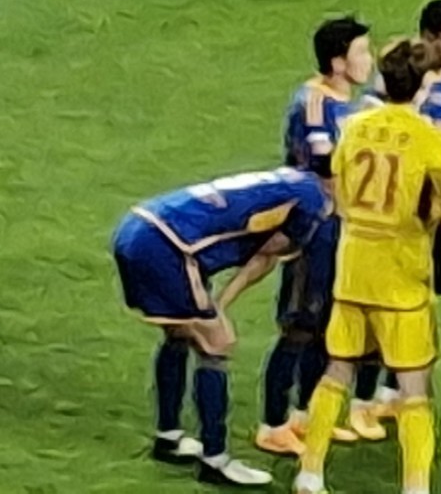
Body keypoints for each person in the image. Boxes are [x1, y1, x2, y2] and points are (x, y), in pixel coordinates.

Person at [294, 39, 441, 494]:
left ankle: (310, 471)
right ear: (423, 86)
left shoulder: (355, 127)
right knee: (413, 388)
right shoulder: (433, 142)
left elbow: (339, 185)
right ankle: (415, 486)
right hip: (402, 276)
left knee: (337, 370)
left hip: (354, 267)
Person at [111, 167, 330, 487]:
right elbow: (269, 251)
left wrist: (219, 305)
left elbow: (262, 252)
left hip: (140, 225)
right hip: (168, 246)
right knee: (217, 344)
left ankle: (168, 437)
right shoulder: (313, 202)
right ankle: (215, 460)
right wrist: (217, 313)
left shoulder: (292, 180)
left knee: (179, 334)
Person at [355, 0, 441, 418]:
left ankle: (396, 390)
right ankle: (364, 394)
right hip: (390, 213)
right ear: (427, 36)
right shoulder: (396, 81)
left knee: (420, 301)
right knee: (377, 302)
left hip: (434, 216)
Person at [257, 17, 375, 455]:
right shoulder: (313, 101)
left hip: (343, 225)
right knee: (300, 324)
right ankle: (272, 423)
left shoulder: (352, 105)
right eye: (361, 52)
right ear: (338, 62)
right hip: (313, 225)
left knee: (329, 324)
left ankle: (306, 417)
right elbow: (324, 162)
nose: (368, 60)